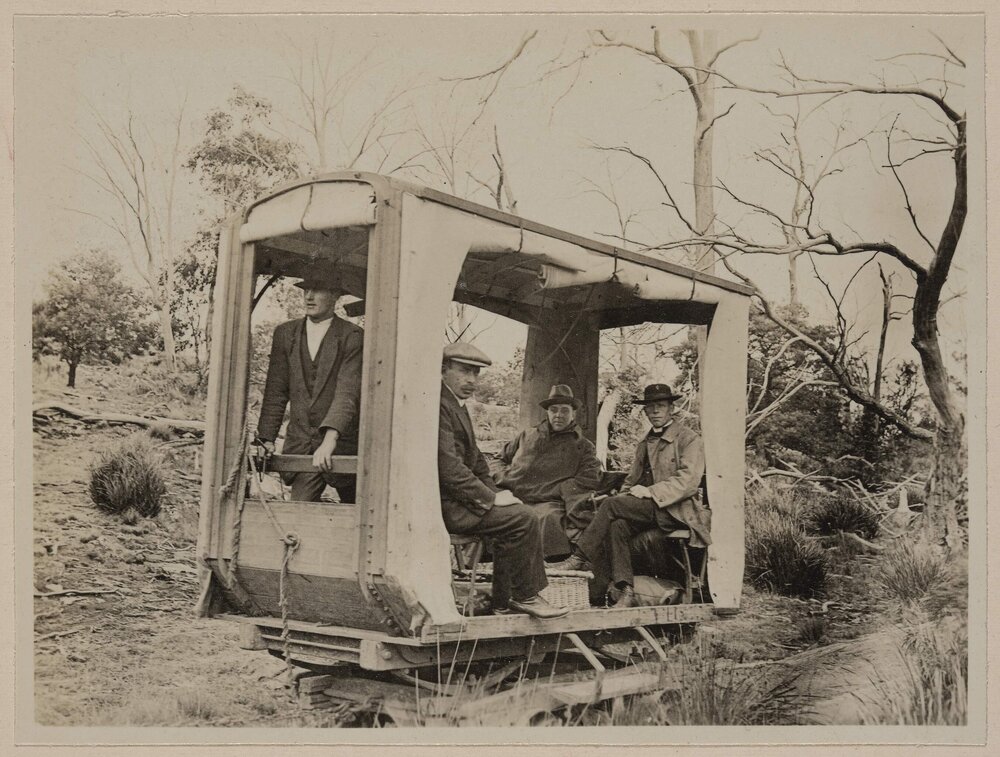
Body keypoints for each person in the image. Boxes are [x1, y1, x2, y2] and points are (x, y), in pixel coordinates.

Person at [438, 342, 568, 619]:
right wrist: (492, 498)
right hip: (446, 505)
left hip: (459, 501)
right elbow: (448, 468)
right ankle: (524, 596)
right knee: (523, 518)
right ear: (443, 370)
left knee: (515, 513)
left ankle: (503, 602)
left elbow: (477, 464)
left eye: (475, 373)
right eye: (464, 371)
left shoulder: (456, 406)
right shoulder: (439, 406)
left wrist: (499, 492)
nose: (471, 380)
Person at [552, 384, 710, 608]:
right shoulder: (645, 442)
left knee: (611, 506)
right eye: (650, 407)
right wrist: (626, 496)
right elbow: (631, 480)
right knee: (618, 525)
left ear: (671, 409)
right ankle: (626, 591)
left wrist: (650, 491)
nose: (655, 411)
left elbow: (688, 481)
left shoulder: (689, 439)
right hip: (651, 509)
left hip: (677, 509)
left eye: (661, 406)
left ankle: (578, 558)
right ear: (645, 412)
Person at [255, 270, 363, 503]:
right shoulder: (285, 334)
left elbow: (348, 393)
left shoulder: (352, 336)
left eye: (318, 290)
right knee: (299, 519)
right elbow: (276, 391)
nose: (309, 296)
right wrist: (266, 438)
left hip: (342, 446)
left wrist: (330, 440)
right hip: (302, 447)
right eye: (306, 290)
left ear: (335, 295)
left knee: (358, 519)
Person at [494, 385, 603, 559]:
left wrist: (559, 489)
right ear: (548, 412)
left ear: (573, 413)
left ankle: (548, 568)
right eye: (554, 410)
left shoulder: (583, 446)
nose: (559, 415)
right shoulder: (527, 435)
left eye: (564, 411)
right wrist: (503, 476)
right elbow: (498, 459)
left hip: (549, 502)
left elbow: (589, 477)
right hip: (514, 497)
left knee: (549, 519)